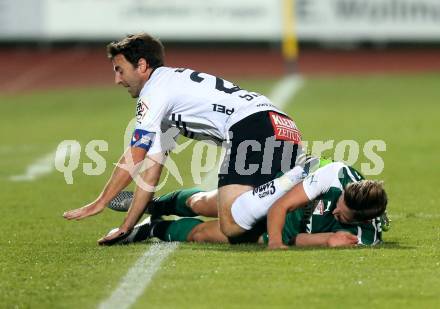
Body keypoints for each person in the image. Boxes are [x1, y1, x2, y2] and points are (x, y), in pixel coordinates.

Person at [63, 33, 306, 244]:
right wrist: (127, 225)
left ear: (142, 65)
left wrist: (101, 201)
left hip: (253, 127)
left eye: (120, 70)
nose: (117, 80)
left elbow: (135, 153)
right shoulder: (169, 88)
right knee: (223, 207)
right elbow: (150, 169)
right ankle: (157, 209)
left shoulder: (153, 91)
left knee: (232, 225)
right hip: (284, 125)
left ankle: (157, 227)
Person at [103, 161, 388, 248]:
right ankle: (155, 205)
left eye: (345, 216)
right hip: (281, 189)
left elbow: (300, 238)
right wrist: (276, 241)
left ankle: (153, 230)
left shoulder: (366, 237)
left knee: (206, 235)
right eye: (339, 205)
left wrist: (326, 241)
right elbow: (281, 205)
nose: (337, 212)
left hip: (289, 226)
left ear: (364, 220)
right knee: (205, 204)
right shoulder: (333, 175)